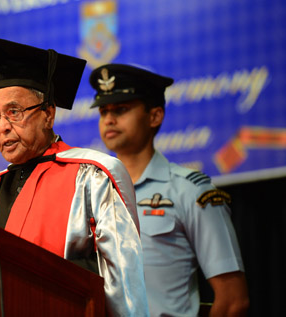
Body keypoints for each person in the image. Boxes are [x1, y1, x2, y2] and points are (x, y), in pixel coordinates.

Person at [0, 37, 148, 316]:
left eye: (14, 112)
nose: (3, 127)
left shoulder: (92, 177)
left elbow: (124, 286)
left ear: (48, 114)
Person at [89, 64, 249, 316]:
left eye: (121, 109)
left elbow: (232, 300)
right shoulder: (92, 193)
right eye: (103, 111)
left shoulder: (190, 191)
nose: (109, 119)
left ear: (154, 116)